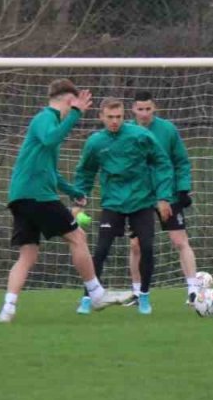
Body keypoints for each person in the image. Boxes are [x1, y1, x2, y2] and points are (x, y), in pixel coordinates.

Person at [0, 79, 130, 324]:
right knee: (77, 236)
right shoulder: (45, 118)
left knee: (27, 255)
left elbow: (51, 171)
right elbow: (51, 139)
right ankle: (96, 293)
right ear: (69, 101)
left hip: (22, 197)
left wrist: (72, 191)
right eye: (74, 104)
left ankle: (8, 308)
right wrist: (77, 113)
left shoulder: (49, 123)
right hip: (37, 196)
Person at [74, 99, 174, 315]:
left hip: (142, 202)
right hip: (113, 203)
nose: (114, 121)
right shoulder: (95, 142)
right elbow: (85, 174)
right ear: (101, 117)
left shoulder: (140, 135)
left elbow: (162, 163)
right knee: (100, 251)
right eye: (110, 117)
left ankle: (144, 297)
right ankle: (86, 297)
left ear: (123, 116)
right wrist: (79, 202)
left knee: (146, 248)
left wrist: (164, 197)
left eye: (118, 117)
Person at [127, 91, 200, 305]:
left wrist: (183, 189)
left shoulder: (167, 130)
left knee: (180, 241)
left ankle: (193, 290)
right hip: (139, 197)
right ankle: (137, 292)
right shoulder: (126, 132)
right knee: (136, 245)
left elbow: (181, 161)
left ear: (154, 108)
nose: (144, 113)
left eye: (148, 109)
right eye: (140, 109)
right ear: (133, 109)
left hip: (168, 194)